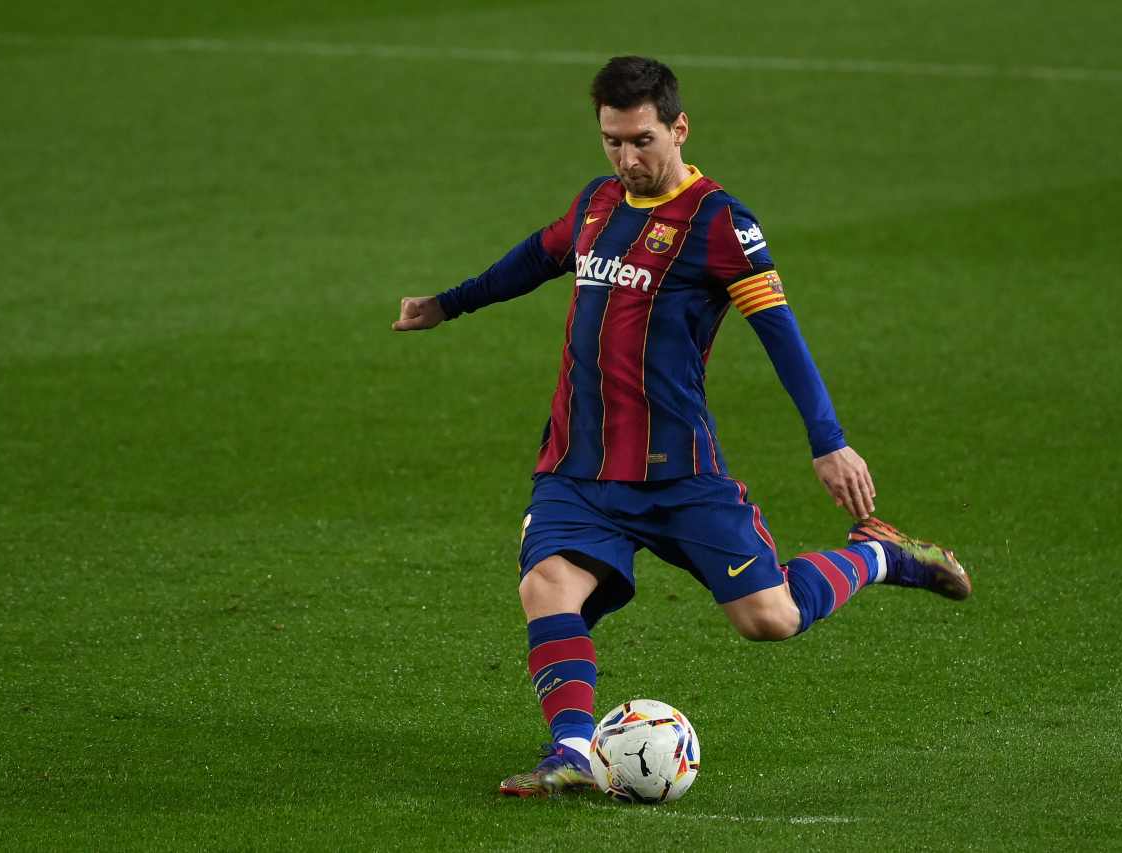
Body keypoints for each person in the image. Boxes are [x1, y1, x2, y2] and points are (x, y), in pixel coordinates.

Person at [392, 55, 972, 798]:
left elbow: (781, 334)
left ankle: (880, 554)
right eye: (612, 141)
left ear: (679, 128)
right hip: (579, 463)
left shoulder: (721, 223)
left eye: (642, 140)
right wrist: (448, 304)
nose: (627, 159)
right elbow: (537, 257)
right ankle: (571, 749)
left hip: (679, 472)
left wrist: (828, 440)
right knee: (548, 584)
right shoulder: (597, 203)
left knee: (769, 618)